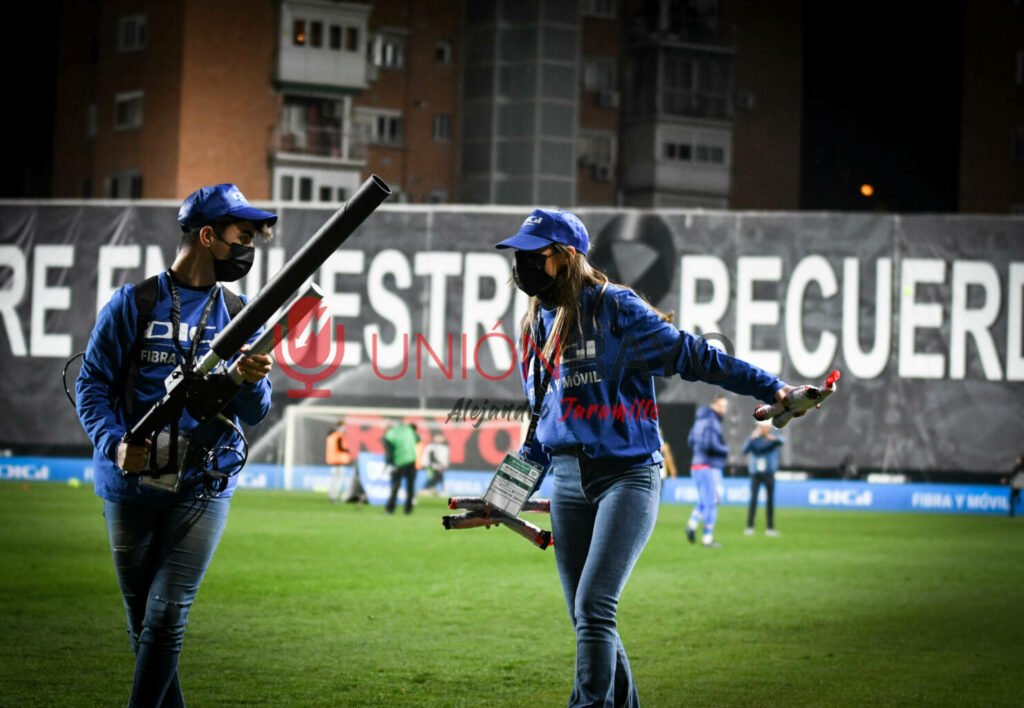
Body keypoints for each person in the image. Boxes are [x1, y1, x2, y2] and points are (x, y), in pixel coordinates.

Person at [495, 208, 800, 708]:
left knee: (595, 606)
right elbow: (538, 433)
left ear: (568, 257)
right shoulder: (534, 327)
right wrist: (501, 498)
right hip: (568, 483)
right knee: (587, 617)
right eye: (519, 256)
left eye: (535, 255)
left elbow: (697, 356)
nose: (522, 266)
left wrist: (774, 388)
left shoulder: (616, 308)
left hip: (627, 478)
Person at [75, 183, 276, 707]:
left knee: (166, 615)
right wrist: (114, 442)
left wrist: (251, 378)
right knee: (144, 623)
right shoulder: (132, 303)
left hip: (203, 485)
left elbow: (255, 412)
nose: (249, 249)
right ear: (207, 236)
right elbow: (91, 384)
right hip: (129, 482)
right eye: (243, 236)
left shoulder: (241, 312)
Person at [685, 394, 729, 548]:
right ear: (714, 405)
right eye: (722, 406)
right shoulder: (712, 421)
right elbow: (711, 444)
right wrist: (725, 449)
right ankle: (707, 539)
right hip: (709, 467)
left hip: (696, 465)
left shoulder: (699, 419)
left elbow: (690, 441)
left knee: (704, 500)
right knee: (711, 503)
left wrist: (699, 454)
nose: (723, 410)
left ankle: (692, 523)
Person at [742, 420, 784, 535]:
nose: (762, 428)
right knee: (753, 499)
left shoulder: (773, 436)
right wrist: (751, 438)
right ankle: (750, 526)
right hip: (756, 473)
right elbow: (744, 450)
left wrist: (773, 438)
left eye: (764, 426)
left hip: (769, 472)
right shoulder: (754, 437)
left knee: (770, 500)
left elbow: (782, 441)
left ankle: (770, 527)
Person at [383, 420, 420, 514]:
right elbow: (418, 439)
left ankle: (390, 509)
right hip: (412, 461)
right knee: (410, 487)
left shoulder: (390, 434)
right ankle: (408, 509)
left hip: (399, 462)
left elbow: (389, 452)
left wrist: (389, 463)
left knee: (395, 486)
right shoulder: (409, 430)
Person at [325, 418, 353, 503]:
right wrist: (348, 450)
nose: (345, 428)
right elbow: (340, 448)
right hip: (339, 460)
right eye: (344, 426)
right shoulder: (339, 435)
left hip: (332, 460)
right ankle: (335, 497)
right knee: (338, 480)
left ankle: (332, 495)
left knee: (333, 479)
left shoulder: (331, 435)